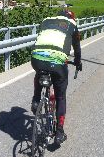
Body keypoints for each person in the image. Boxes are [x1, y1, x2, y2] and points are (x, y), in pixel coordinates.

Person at [30, 9, 82, 145]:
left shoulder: (46, 20)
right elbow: (77, 47)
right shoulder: (72, 23)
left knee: (40, 71)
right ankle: (59, 132)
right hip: (58, 62)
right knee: (60, 97)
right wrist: (77, 61)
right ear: (71, 17)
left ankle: (36, 100)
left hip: (36, 58)